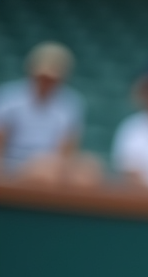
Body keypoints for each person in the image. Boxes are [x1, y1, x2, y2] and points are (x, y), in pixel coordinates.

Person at [0, 42, 102, 186]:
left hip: (52, 167)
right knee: (45, 170)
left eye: (53, 79)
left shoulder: (71, 103)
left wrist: (58, 167)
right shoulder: (9, 97)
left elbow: (67, 150)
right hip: (13, 165)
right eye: (43, 77)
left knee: (90, 169)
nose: (47, 83)